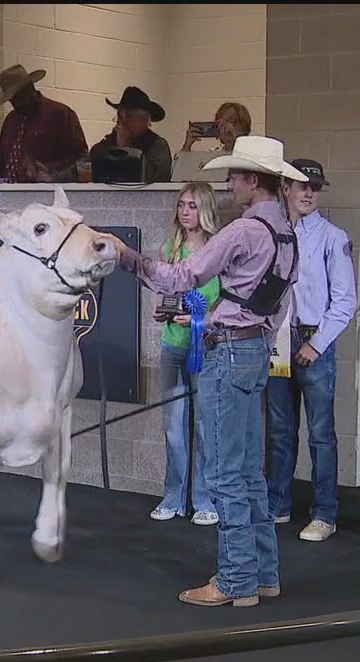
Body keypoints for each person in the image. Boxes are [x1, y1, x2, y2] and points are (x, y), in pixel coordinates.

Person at [111, 135, 305, 608]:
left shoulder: (243, 231)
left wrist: (127, 257)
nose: (229, 184)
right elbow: (278, 305)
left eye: (234, 176)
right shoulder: (286, 235)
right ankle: (263, 574)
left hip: (229, 353)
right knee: (249, 471)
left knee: (224, 473)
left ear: (253, 180)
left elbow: (183, 277)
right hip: (254, 351)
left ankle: (236, 580)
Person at [265, 160, 356, 542]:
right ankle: (278, 503)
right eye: (302, 186)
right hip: (279, 337)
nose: (308, 193)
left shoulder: (332, 237)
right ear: (286, 188)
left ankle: (324, 513)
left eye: (314, 188)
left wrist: (316, 345)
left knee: (320, 433)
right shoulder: (274, 234)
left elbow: (345, 301)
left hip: (312, 336)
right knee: (279, 430)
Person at [150, 182, 223, 527]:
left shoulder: (219, 250)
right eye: (181, 205)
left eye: (192, 205)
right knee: (174, 427)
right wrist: (161, 310)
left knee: (206, 427)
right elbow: (165, 291)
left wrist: (199, 318)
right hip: (172, 346)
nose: (185, 212)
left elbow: (226, 302)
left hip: (206, 347)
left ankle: (205, 499)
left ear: (205, 209)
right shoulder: (169, 249)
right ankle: (173, 497)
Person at [0, 65, 88, 183]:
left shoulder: (60, 114)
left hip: (45, 188)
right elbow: (5, 161)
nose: (15, 103)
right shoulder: (11, 120)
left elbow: (82, 159)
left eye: (18, 97)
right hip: (9, 189)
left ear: (29, 88)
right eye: (11, 99)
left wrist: (49, 171)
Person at [89, 86, 173, 183]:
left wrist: (125, 147)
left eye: (128, 117)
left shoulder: (157, 146)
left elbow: (151, 180)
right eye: (120, 116)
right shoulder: (108, 143)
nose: (122, 122)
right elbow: (88, 165)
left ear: (145, 120)